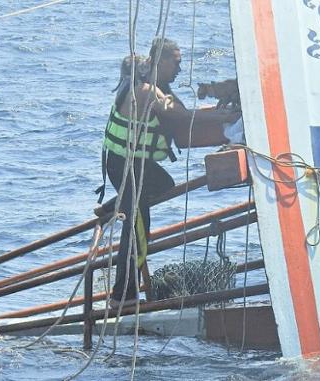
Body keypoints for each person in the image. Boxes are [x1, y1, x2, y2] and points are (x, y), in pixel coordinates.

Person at [101, 38, 240, 305]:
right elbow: (183, 117)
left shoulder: (158, 87)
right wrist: (224, 118)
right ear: (159, 61)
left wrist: (219, 103)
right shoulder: (146, 92)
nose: (179, 68)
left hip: (138, 165)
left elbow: (184, 114)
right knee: (138, 230)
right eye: (175, 63)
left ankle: (119, 202)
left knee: (165, 185)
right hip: (125, 166)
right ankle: (123, 297)